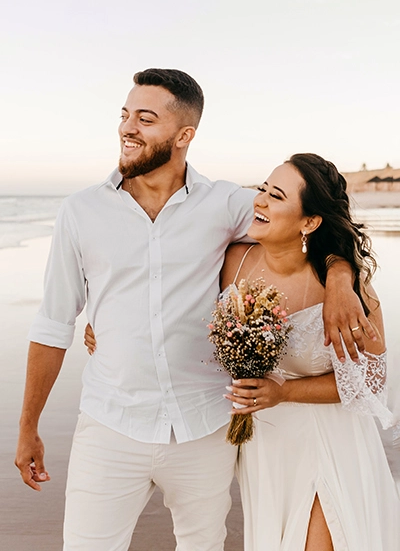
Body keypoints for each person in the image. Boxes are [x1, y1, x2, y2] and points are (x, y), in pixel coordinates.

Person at [15, 69, 374, 551]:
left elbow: (308, 225)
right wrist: (28, 426)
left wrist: (338, 275)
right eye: (125, 115)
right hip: (110, 424)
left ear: (184, 135)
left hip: (203, 426)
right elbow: (54, 322)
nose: (128, 127)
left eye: (146, 118)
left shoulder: (224, 203)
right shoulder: (80, 212)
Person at [222, 153, 400, 551]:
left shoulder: (346, 292)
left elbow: (370, 382)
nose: (261, 201)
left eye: (277, 196)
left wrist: (283, 392)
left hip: (330, 442)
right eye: (263, 189)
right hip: (265, 447)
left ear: (309, 222)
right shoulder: (233, 260)